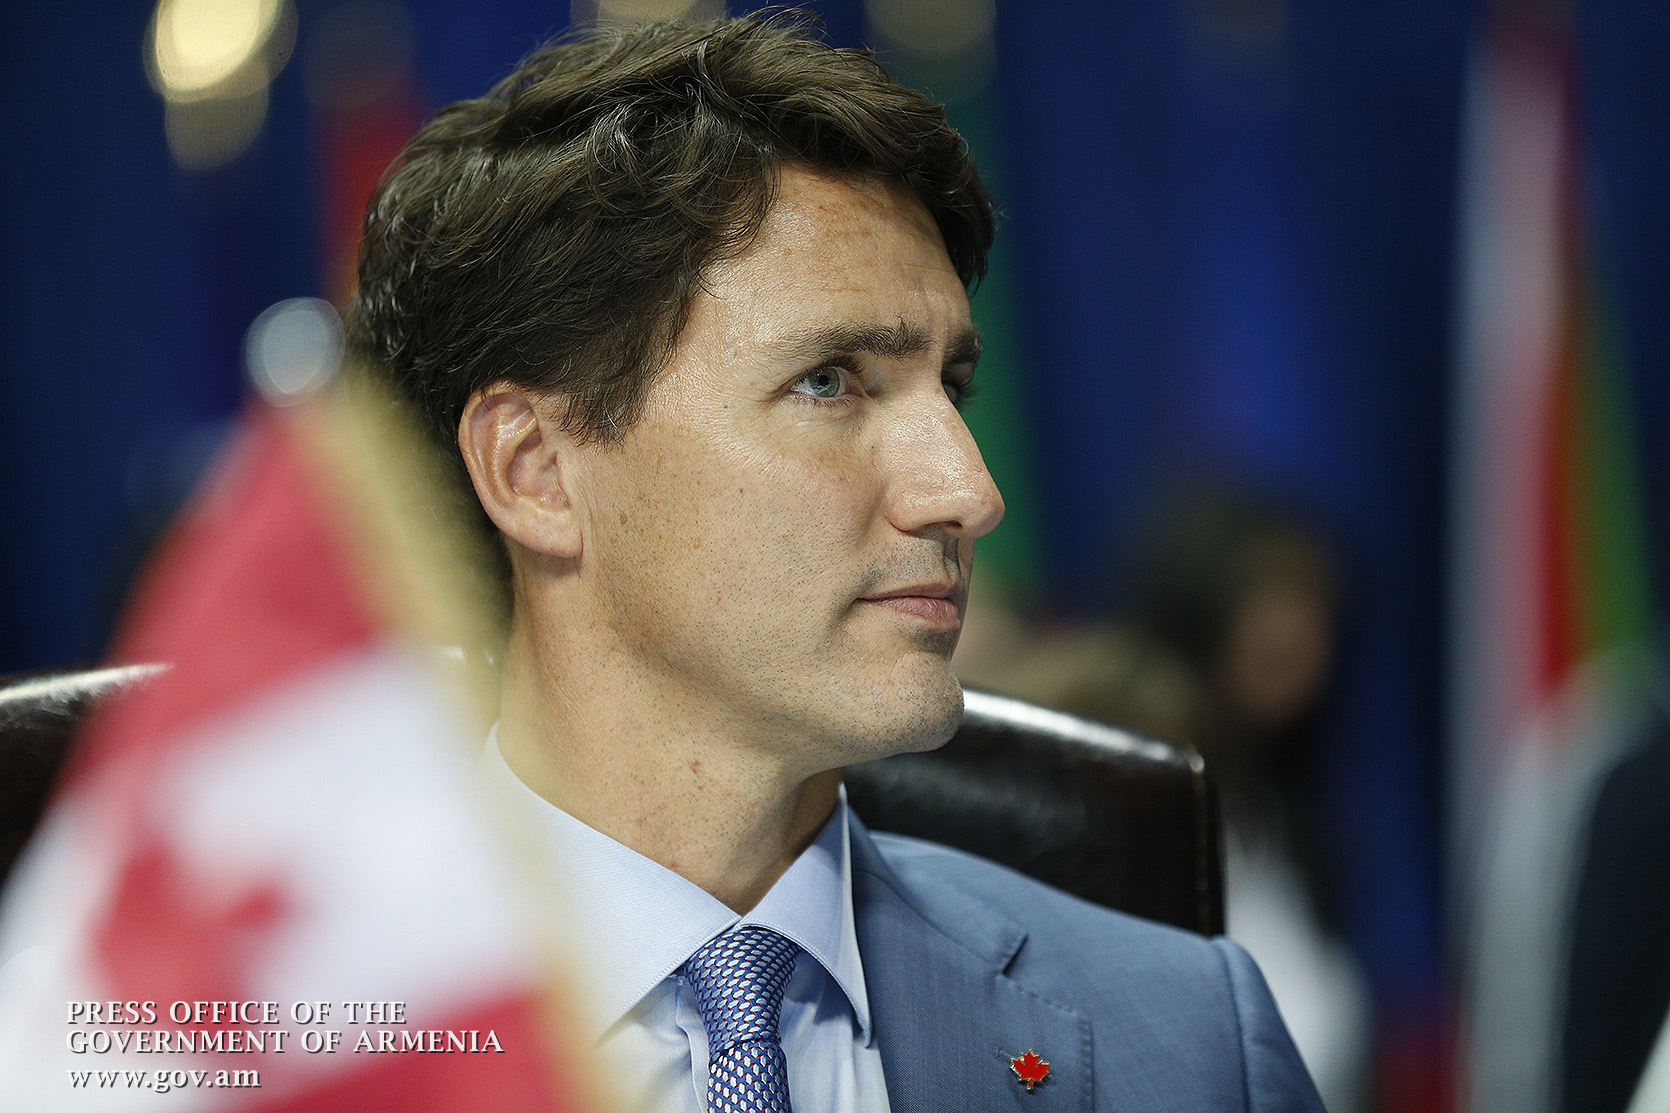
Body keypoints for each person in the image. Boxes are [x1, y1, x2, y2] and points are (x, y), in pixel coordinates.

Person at [346, 14, 1324, 1112]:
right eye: (829, 381)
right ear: (535, 471)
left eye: (952, 387)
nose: (969, 492)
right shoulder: (254, 1045)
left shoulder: (1193, 1039)